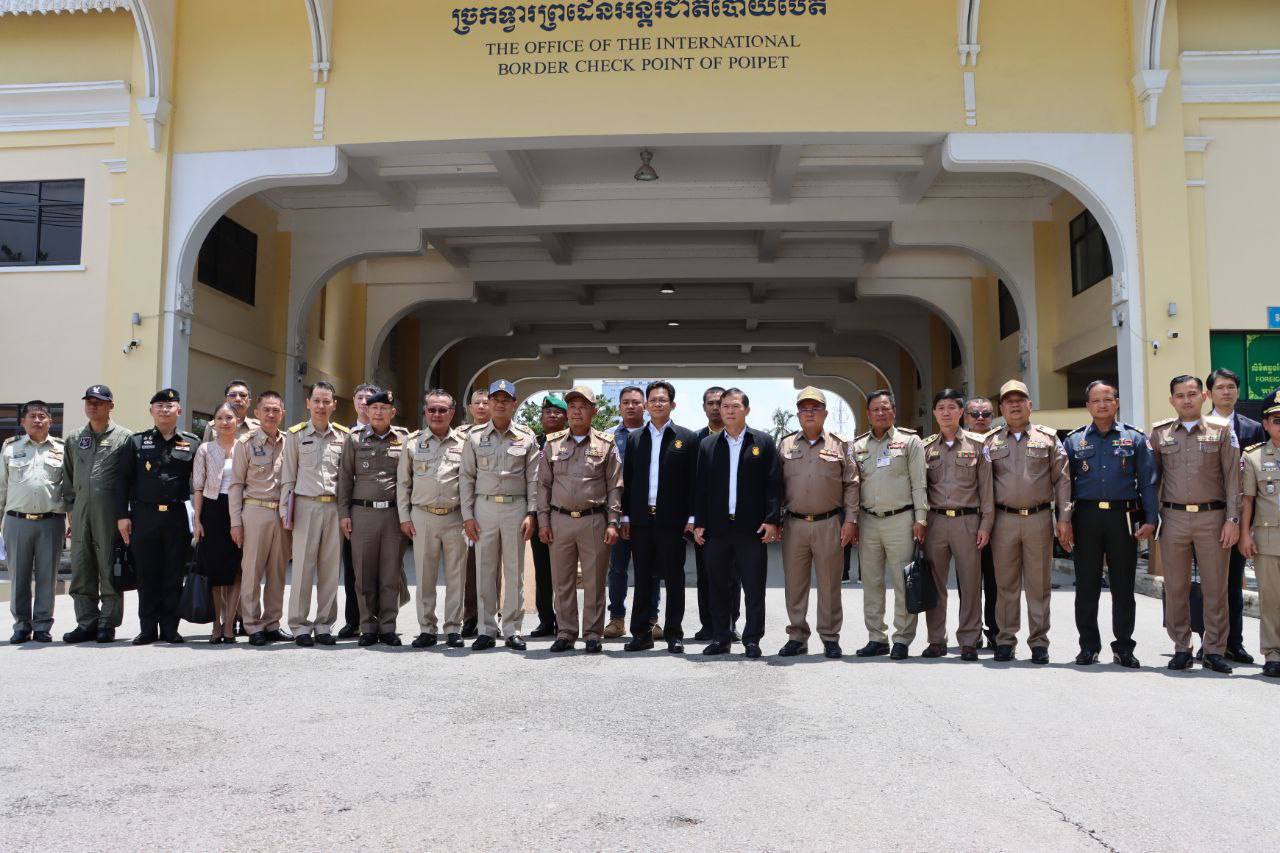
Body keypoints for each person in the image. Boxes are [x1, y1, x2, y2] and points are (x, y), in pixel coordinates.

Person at [1063, 380, 1157, 668]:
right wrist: (1064, 520)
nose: (1102, 405)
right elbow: (1064, 486)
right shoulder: (1074, 440)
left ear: (1116, 402)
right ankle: (1088, 646)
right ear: (1088, 405)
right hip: (1087, 517)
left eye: (1108, 399)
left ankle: (1124, 647)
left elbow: (1149, 481)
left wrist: (1151, 519)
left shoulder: (1135, 438)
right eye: (1096, 400)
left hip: (1122, 516)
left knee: (1123, 585)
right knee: (1087, 585)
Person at [1151, 374, 1240, 674]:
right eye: (1180, 395)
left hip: (1213, 518)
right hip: (1174, 518)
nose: (1186, 399)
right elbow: (1154, 479)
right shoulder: (1160, 434)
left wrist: (1233, 520)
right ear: (1172, 400)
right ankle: (1181, 648)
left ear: (1204, 397)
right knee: (1176, 587)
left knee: (1216, 587)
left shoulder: (1221, 431)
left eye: (1192, 393)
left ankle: (1214, 649)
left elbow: (1233, 479)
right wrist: (1154, 519)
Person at [983, 380, 1072, 664]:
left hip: (1039, 519)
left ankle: (1039, 642)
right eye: (1008, 401)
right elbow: (984, 486)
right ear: (1001, 408)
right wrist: (986, 523)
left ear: (1030, 405)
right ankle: (1006, 640)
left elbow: (1062, 480)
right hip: (1003, 521)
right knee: (1005, 584)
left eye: (1020, 400)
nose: (1015, 405)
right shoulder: (991, 441)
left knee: (1038, 584)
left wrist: (1064, 517)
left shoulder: (1048, 438)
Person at [693, 388, 781, 658]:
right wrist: (699, 522)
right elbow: (700, 488)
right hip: (717, 529)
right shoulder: (708, 445)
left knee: (753, 586)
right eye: (724, 406)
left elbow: (774, 485)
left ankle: (752, 639)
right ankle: (721, 637)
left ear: (747, 410)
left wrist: (771, 520)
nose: (729, 410)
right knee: (717, 585)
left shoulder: (763, 442)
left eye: (735, 406)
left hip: (750, 529)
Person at [776, 387, 859, 659]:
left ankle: (830, 636)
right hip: (795, 524)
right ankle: (797, 636)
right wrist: (774, 521)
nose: (809, 413)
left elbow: (851, 485)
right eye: (804, 409)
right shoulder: (786, 445)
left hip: (829, 523)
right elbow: (776, 486)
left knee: (830, 584)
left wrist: (851, 520)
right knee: (795, 584)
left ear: (824, 413)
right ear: (797, 414)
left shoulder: (840, 444)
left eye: (815, 408)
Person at [538, 385, 622, 653]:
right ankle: (565, 632)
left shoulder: (606, 444)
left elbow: (615, 486)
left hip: (594, 520)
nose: (576, 411)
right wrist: (543, 522)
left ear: (593, 412)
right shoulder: (553, 444)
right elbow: (543, 486)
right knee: (561, 581)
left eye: (583, 406)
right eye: (572, 406)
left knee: (594, 580)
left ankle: (593, 634)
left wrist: (613, 522)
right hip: (560, 519)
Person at [116, 389, 201, 645]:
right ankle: (147, 629)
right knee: (147, 574)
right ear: (151, 411)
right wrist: (123, 516)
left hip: (177, 516)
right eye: (159, 405)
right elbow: (123, 481)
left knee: (174, 574)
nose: (165, 410)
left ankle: (170, 628)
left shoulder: (192, 442)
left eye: (170, 405)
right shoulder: (136, 442)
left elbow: (198, 483)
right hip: (144, 516)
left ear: (179, 410)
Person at [460, 380, 538, 651]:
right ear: (489, 403)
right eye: (496, 398)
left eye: (506, 399)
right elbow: (466, 479)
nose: (500, 403)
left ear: (514, 403)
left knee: (514, 571)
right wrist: (467, 516)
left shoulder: (527, 437)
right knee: (484, 569)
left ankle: (513, 629)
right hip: (484, 508)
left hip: (516, 508)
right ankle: (486, 629)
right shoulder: (474, 437)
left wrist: (532, 512)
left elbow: (533, 479)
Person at [621, 380, 697, 654]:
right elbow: (628, 480)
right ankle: (641, 633)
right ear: (646, 405)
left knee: (674, 578)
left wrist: (691, 516)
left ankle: (674, 634)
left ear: (672, 404)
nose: (656, 404)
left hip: (672, 521)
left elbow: (693, 482)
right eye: (652, 400)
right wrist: (626, 517)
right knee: (642, 578)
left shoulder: (686, 438)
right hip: (642, 520)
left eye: (662, 400)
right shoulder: (634, 438)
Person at [851, 389, 927, 660]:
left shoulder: (910, 442)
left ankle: (902, 639)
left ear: (893, 411)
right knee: (871, 582)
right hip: (869, 520)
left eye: (885, 408)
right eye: (875, 409)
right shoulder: (857, 446)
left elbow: (919, 483)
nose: (880, 413)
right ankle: (876, 637)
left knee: (902, 581)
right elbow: (852, 487)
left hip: (901, 520)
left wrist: (921, 518)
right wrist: (853, 521)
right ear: (868, 414)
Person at [922, 389, 993, 662]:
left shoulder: (976, 445)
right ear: (934, 413)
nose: (946, 412)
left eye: (952, 407)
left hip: (968, 521)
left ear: (961, 412)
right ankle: (936, 640)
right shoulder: (926, 447)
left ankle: (969, 640)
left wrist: (986, 524)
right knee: (935, 584)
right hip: (936, 521)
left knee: (971, 582)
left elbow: (987, 489)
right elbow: (920, 488)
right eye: (941, 407)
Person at [338, 388, 410, 646]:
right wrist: (344, 514)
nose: (379, 412)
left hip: (392, 514)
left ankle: (388, 626)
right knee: (363, 573)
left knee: (390, 573)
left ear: (393, 412)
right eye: (374, 408)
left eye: (384, 408)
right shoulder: (355, 439)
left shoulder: (404, 439)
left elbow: (408, 479)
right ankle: (368, 626)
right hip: (362, 514)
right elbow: (345, 478)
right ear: (366, 411)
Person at [397, 389, 469, 649]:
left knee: (456, 577)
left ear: (452, 413)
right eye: (432, 410)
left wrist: (469, 518)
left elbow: (469, 483)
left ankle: (453, 628)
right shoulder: (413, 442)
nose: (437, 414)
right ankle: (427, 628)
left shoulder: (465, 442)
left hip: (455, 517)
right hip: (423, 516)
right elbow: (403, 484)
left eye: (442, 410)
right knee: (425, 576)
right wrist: (404, 517)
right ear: (425, 412)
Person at [280, 380, 349, 646]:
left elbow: (347, 478)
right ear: (308, 403)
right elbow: (288, 477)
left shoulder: (343, 437)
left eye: (326, 401)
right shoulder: (295, 435)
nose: (321, 406)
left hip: (333, 506)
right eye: (316, 401)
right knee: (302, 569)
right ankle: (298, 625)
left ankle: (324, 625)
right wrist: (286, 512)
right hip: (305, 505)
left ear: (334, 404)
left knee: (330, 569)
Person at [61, 385, 132, 644]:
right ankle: (86, 622)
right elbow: (68, 478)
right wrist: (70, 510)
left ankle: (108, 623)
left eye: (99, 402)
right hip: (80, 512)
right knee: (82, 566)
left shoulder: (125, 438)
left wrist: (126, 514)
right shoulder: (75, 437)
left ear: (110, 405)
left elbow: (129, 480)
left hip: (109, 513)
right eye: (89, 402)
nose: (93, 406)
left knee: (108, 567)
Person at [1204, 367, 1265, 664]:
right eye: (1220, 387)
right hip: (1207, 512)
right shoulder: (1200, 426)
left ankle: (1234, 643)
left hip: (1240, 513)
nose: (1226, 392)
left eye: (1231, 387)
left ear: (1237, 392)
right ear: (1210, 393)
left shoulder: (1253, 428)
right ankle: (1208, 641)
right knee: (1208, 582)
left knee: (1233, 583)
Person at [1, 400, 68, 644]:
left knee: (47, 576)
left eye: (42, 416)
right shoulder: (10, 448)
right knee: (18, 576)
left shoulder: (62, 449)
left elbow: (68, 489)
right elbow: (1, 488)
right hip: (17, 522)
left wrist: (71, 520)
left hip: (51, 522)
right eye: (32, 416)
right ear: (23, 422)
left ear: (51, 421)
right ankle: (21, 625)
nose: (37, 420)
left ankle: (42, 625)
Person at [229, 391, 289, 646]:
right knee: (252, 571)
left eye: (276, 410)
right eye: (267, 410)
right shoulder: (245, 443)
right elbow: (235, 485)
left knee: (278, 573)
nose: (271, 415)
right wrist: (235, 522)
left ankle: (272, 623)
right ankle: (252, 625)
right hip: (255, 510)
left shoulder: (290, 442)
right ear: (257, 413)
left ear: (282, 414)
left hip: (282, 513)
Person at [604, 384, 660, 640]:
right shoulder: (608, 437)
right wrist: (616, 517)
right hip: (616, 514)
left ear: (645, 406)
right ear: (619, 407)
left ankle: (651, 619)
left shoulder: (657, 435)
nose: (630, 406)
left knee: (649, 569)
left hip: (648, 515)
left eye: (636, 402)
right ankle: (616, 619)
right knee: (617, 568)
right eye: (625, 402)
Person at [192, 403, 244, 644]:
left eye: (229, 417)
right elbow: (199, 487)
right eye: (220, 418)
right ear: (213, 423)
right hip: (212, 510)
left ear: (237, 421)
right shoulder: (205, 449)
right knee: (214, 571)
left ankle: (230, 623)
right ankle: (216, 623)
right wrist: (198, 519)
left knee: (235, 569)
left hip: (239, 511)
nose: (225, 422)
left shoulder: (246, 448)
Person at [693, 385, 739, 641]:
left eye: (719, 403)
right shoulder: (696, 439)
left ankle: (731, 623)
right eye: (710, 403)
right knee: (706, 575)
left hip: (735, 522)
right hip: (706, 524)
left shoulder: (743, 438)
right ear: (704, 407)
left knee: (733, 576)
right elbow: (693, 484)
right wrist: (694, 519)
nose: (715, 407)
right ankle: (708, 624)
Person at [1239, 388, 1280, 678]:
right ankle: (1273, 653)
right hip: (1269, 540)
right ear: (1265, 424)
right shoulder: (1253, 457)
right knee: (1272, 599)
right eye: (1276, 419)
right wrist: (1245, 534)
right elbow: (1247, 501)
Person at [338, 382, 379, 638]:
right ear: (353, 401)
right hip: (353, 509)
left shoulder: (393, 434)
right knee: (353, 568)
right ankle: (353, 619)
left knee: (382, 569)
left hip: (381, 509)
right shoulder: (343, 434)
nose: (364, 402)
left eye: (369, 398)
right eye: (360, 397)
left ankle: (378, 620)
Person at [963, 397, 1000, 648]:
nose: (980, 418)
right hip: (969, 521)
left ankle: (996, 632)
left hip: (1003, 521)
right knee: (969, 582)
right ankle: (970, 633)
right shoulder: (957, 442)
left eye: (985, 414)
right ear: (965, 417)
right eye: (974, 413)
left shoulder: (1003, 440)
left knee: (996, 580)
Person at [529, 393, 567, 637]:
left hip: (563, 514)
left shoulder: (571, 441)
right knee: (542, 570)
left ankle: (565, 620)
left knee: (564, 573)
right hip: (539, 514)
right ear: (541, 416)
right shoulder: (534, 443)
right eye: (547, 412)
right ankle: (545, 620)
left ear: (564, 417)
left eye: (557, 412)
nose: (552, 415)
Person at [459, 387, 494, 638]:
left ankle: (493, 615)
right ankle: (469, 615)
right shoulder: (460, 435)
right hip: (461, 508)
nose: (481, 407)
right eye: (477, 403)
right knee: (467, 567)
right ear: (469, 408)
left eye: (485, 402)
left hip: (488, 508)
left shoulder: (501, 433)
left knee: (493, 567)